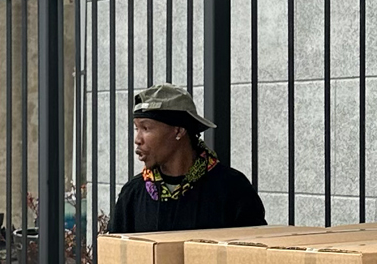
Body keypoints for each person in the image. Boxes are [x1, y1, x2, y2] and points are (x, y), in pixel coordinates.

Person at [104, 84, 266, 232]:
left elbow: (253, 255)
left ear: (179, 131)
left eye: (146, 128)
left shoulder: (231, 189)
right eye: (136, 128)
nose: (138, 139)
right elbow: (115, 256)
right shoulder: (132, 194)